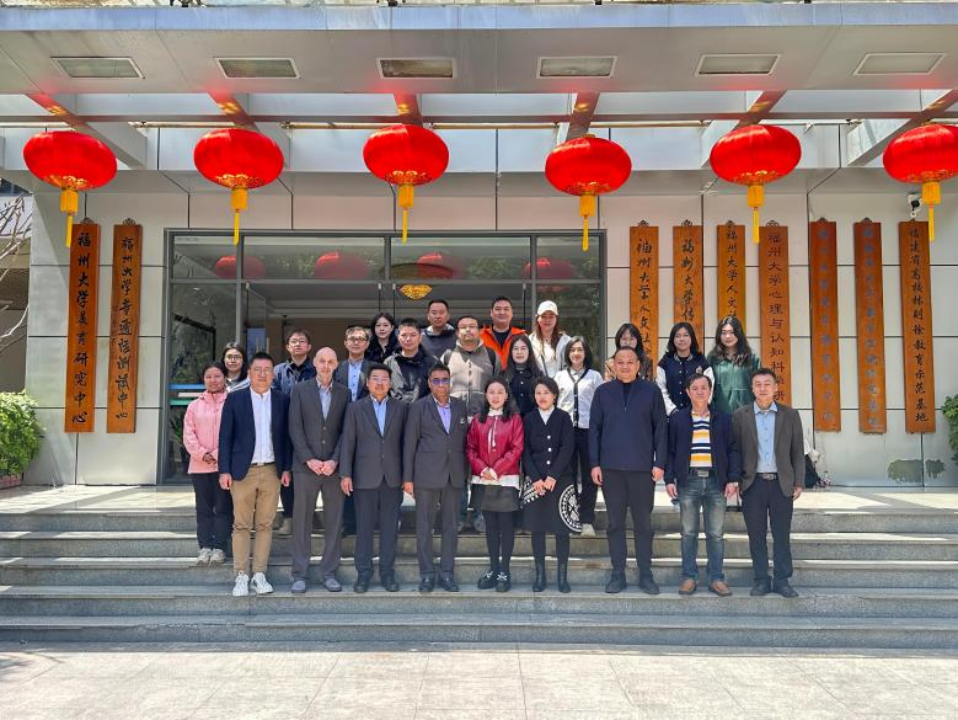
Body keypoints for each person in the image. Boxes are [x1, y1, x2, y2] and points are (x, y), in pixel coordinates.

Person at [590, 346, 667, 595]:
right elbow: (594, 430)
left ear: (638, 365)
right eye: (620, 362)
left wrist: (660, 463)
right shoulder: (603, 392)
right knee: (615, 524)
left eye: (630, 362)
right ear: (613, 365)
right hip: (611, 469)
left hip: (642, 470)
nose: (625, 366)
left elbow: (661, 430)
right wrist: (594, 463)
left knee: (643, 524)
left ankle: (646, 574)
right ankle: (618, 574)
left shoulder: (651, 391)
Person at [217, 352, 292, 598]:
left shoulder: (282, 400)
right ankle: (241, 574)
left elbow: (286, 438)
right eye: (257, 370)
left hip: (271, 470)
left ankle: (259, 573)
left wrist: (286, 468)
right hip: (242, 471)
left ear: (273, 374)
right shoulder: (235, 399)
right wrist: (224, 470)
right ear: (249, 373)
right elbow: (225, 436)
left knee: (265, 524)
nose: (262, 374)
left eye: (267, 370)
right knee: (241, 524)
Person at [665, 373, 741, 597]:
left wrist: (733, 478)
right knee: (688, 533)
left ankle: (716, 578)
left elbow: (733, 449)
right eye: (695, 388)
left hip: (717, 482)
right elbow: (670, 451)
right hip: (688, 481)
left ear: (710, 391)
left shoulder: (723, 419)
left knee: (715, 534)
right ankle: (689, 577)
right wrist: (669, 479)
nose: (700, 391)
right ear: (688, 392)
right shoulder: (678, 419)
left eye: (704, 387)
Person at [732, 368, 805, 599]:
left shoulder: (790, 415)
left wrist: (799, 481)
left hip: (781, 484)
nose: (762, 388)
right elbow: (735, 451)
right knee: (756, 536)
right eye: (758, 384)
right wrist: (736, 481)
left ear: (775, 388)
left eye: (767, 384)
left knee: (781, 535)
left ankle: (782, 580)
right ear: (752, 388)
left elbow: (797, 451)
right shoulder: (740, 415)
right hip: (752, 484)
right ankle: (761, 580)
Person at [339, 364, 408, 593]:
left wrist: (407, 476)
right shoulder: (355, 408)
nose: (379, 383)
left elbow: (406, 445)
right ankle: (364, 574)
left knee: (390, 529)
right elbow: (348, 442)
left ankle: (387, 573)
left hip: (392, 478)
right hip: (364, 477)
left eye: (384, 379)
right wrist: (345, 473)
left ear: (390, 383)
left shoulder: (401, 408)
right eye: (375, 379)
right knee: (364, 529)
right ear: (367, 383)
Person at [288, 347, 351, 594]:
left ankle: (329, 572)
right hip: (305, 468)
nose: (326, 366)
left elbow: (347, 431)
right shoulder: (299, 390)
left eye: (330, 362)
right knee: (302, 521)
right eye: (322, 361)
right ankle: (300, 573)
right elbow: (294, 427)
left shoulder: (345, 393)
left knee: (334, 521)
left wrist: (335, 461)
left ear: (336, 365)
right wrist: (309, 459)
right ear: (314, 363)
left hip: (333, 469)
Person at [404, 363, 470, 593]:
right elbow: (409, 444)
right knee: (425, 527)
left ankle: (447, 573)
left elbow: (464, 441)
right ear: (430, 383)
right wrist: (408, 478)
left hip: (454, 475)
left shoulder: (460, 406)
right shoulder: (418, 407)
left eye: (445, 380)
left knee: (451, 527)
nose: (441, 384)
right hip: (426, 475)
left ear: (450, 382)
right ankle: (427, 574)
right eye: (436, 380)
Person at [441, 314, 501, 534]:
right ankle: (458, 516)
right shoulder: (448, 356)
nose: (468, 330)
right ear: (457, 332)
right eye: (463, 327)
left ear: (479, 330)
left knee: (481, 471)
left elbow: (499, 387)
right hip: (454, 424)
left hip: (483, 424)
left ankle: (479, 515)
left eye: (472, 326)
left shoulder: (491, 356)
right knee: (457, 472)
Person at [466, 378, 524, 593]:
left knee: (506, 526)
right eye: (492, 392)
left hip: (506, 479)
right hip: (483, 479)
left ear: (507, 395)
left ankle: (504, 571)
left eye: (500, 392)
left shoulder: (515, 419)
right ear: (486, 395)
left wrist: (496, 470)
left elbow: (516, 448)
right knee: (490, 526)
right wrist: (483, 470)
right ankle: (493, 568)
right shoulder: (477, 420)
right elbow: (470, 448)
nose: (496, 396)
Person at [523, 377, 578, 593]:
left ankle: (562, 578)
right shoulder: (529, 419)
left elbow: (567, 447)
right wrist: (535, 478)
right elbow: (525, 451)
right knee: (537, 529)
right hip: (536, 481)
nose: (542, 397)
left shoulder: (563, 417)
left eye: (546, 392)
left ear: (554, 395)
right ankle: (540, 576)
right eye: (538, 393)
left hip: (560, 480)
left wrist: (553, 475)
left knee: (561, 530)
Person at [182, 361, 232, 566]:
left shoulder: (233, 402)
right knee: (203, 509)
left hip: (224, 467)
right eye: (209, 376)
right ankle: (204, 547)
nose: (213, 380)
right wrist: (203, 454)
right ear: (203, 379)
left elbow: (236, 433)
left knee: (223, 508)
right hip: (199, 466)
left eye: (217, 376)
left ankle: (220, 547)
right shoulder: (194, 406)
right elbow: (188, 435)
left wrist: (218, 454)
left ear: (225, 378)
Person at [556, 337, 604, 538]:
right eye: (573, 350)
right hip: (566, 432)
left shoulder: (594, 376)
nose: (576, 353)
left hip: (588, 432)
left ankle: (587, 519)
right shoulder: (559, 376)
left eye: (580, 350)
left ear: (586, 353)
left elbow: (601, 404)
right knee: (568, 476)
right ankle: (571, 517)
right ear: (567, 353)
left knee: (589, 476)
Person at [271, 328, 316, 536]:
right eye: (293, 341)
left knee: (308, 474)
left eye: (301, 341)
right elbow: (273, 398)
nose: (297, 344)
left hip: (310, 430)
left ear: (309, 346)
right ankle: (289, 517)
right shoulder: (278, 371)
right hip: (284, 430)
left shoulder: (316, 370)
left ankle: (308, 517)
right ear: (287, 346)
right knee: (286, 473)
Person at [656, 322, 713, 415]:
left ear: (692, 338)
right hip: (671, 416)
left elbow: (710, 386)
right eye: (677, 336)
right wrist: (672, 411)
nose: (681, 339)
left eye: (686, 335)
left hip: (698, 414)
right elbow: (661, 389)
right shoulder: (665, 362)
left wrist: (699, 408)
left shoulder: (701, 360)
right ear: (672, 339)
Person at [709, 316, 761, 416]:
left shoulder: (751, 357)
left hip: (747, 415)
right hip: (720, 415)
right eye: (723, 333)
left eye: (732, 332)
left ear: (739, 333)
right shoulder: (713, 358)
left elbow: (760, 385)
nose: (727, 336)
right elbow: (708, 387)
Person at [385, 318, 437, 404]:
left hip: (424, 410)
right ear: (398, 338)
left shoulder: (432, 362)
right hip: (396, 410)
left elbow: (438, 389)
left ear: (420, 338)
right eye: (404, 335)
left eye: (413, 335)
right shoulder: (389, 363)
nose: (408, 339)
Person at [503, 334, 543, 416]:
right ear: (511, 352)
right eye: (515, 349)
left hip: (533, 421)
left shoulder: (538, 375)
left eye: (523, 348)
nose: (519, 352)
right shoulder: (503, 376)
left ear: (529, 351)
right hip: (509, 421)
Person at [529, 300, 571, 378]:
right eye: (543, 316)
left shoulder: (567, 341)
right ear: (537, 318)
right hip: (538, 384)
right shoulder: (530, 341)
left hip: (562, 384)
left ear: (556, 319)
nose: (547, 320)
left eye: (551, 316)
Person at [479, 296, 524, 366]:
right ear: (491, 312)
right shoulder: (480, 337)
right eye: (498, 309)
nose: (502, 312)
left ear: (512, 313)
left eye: (506, 309)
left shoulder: (521, 336)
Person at [333, 326, 371, 402]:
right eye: (352, 339)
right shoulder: (335, 367)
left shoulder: (374, 368)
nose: (356, 342)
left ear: (367, 344)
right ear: (345, 343)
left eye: (360, 339)